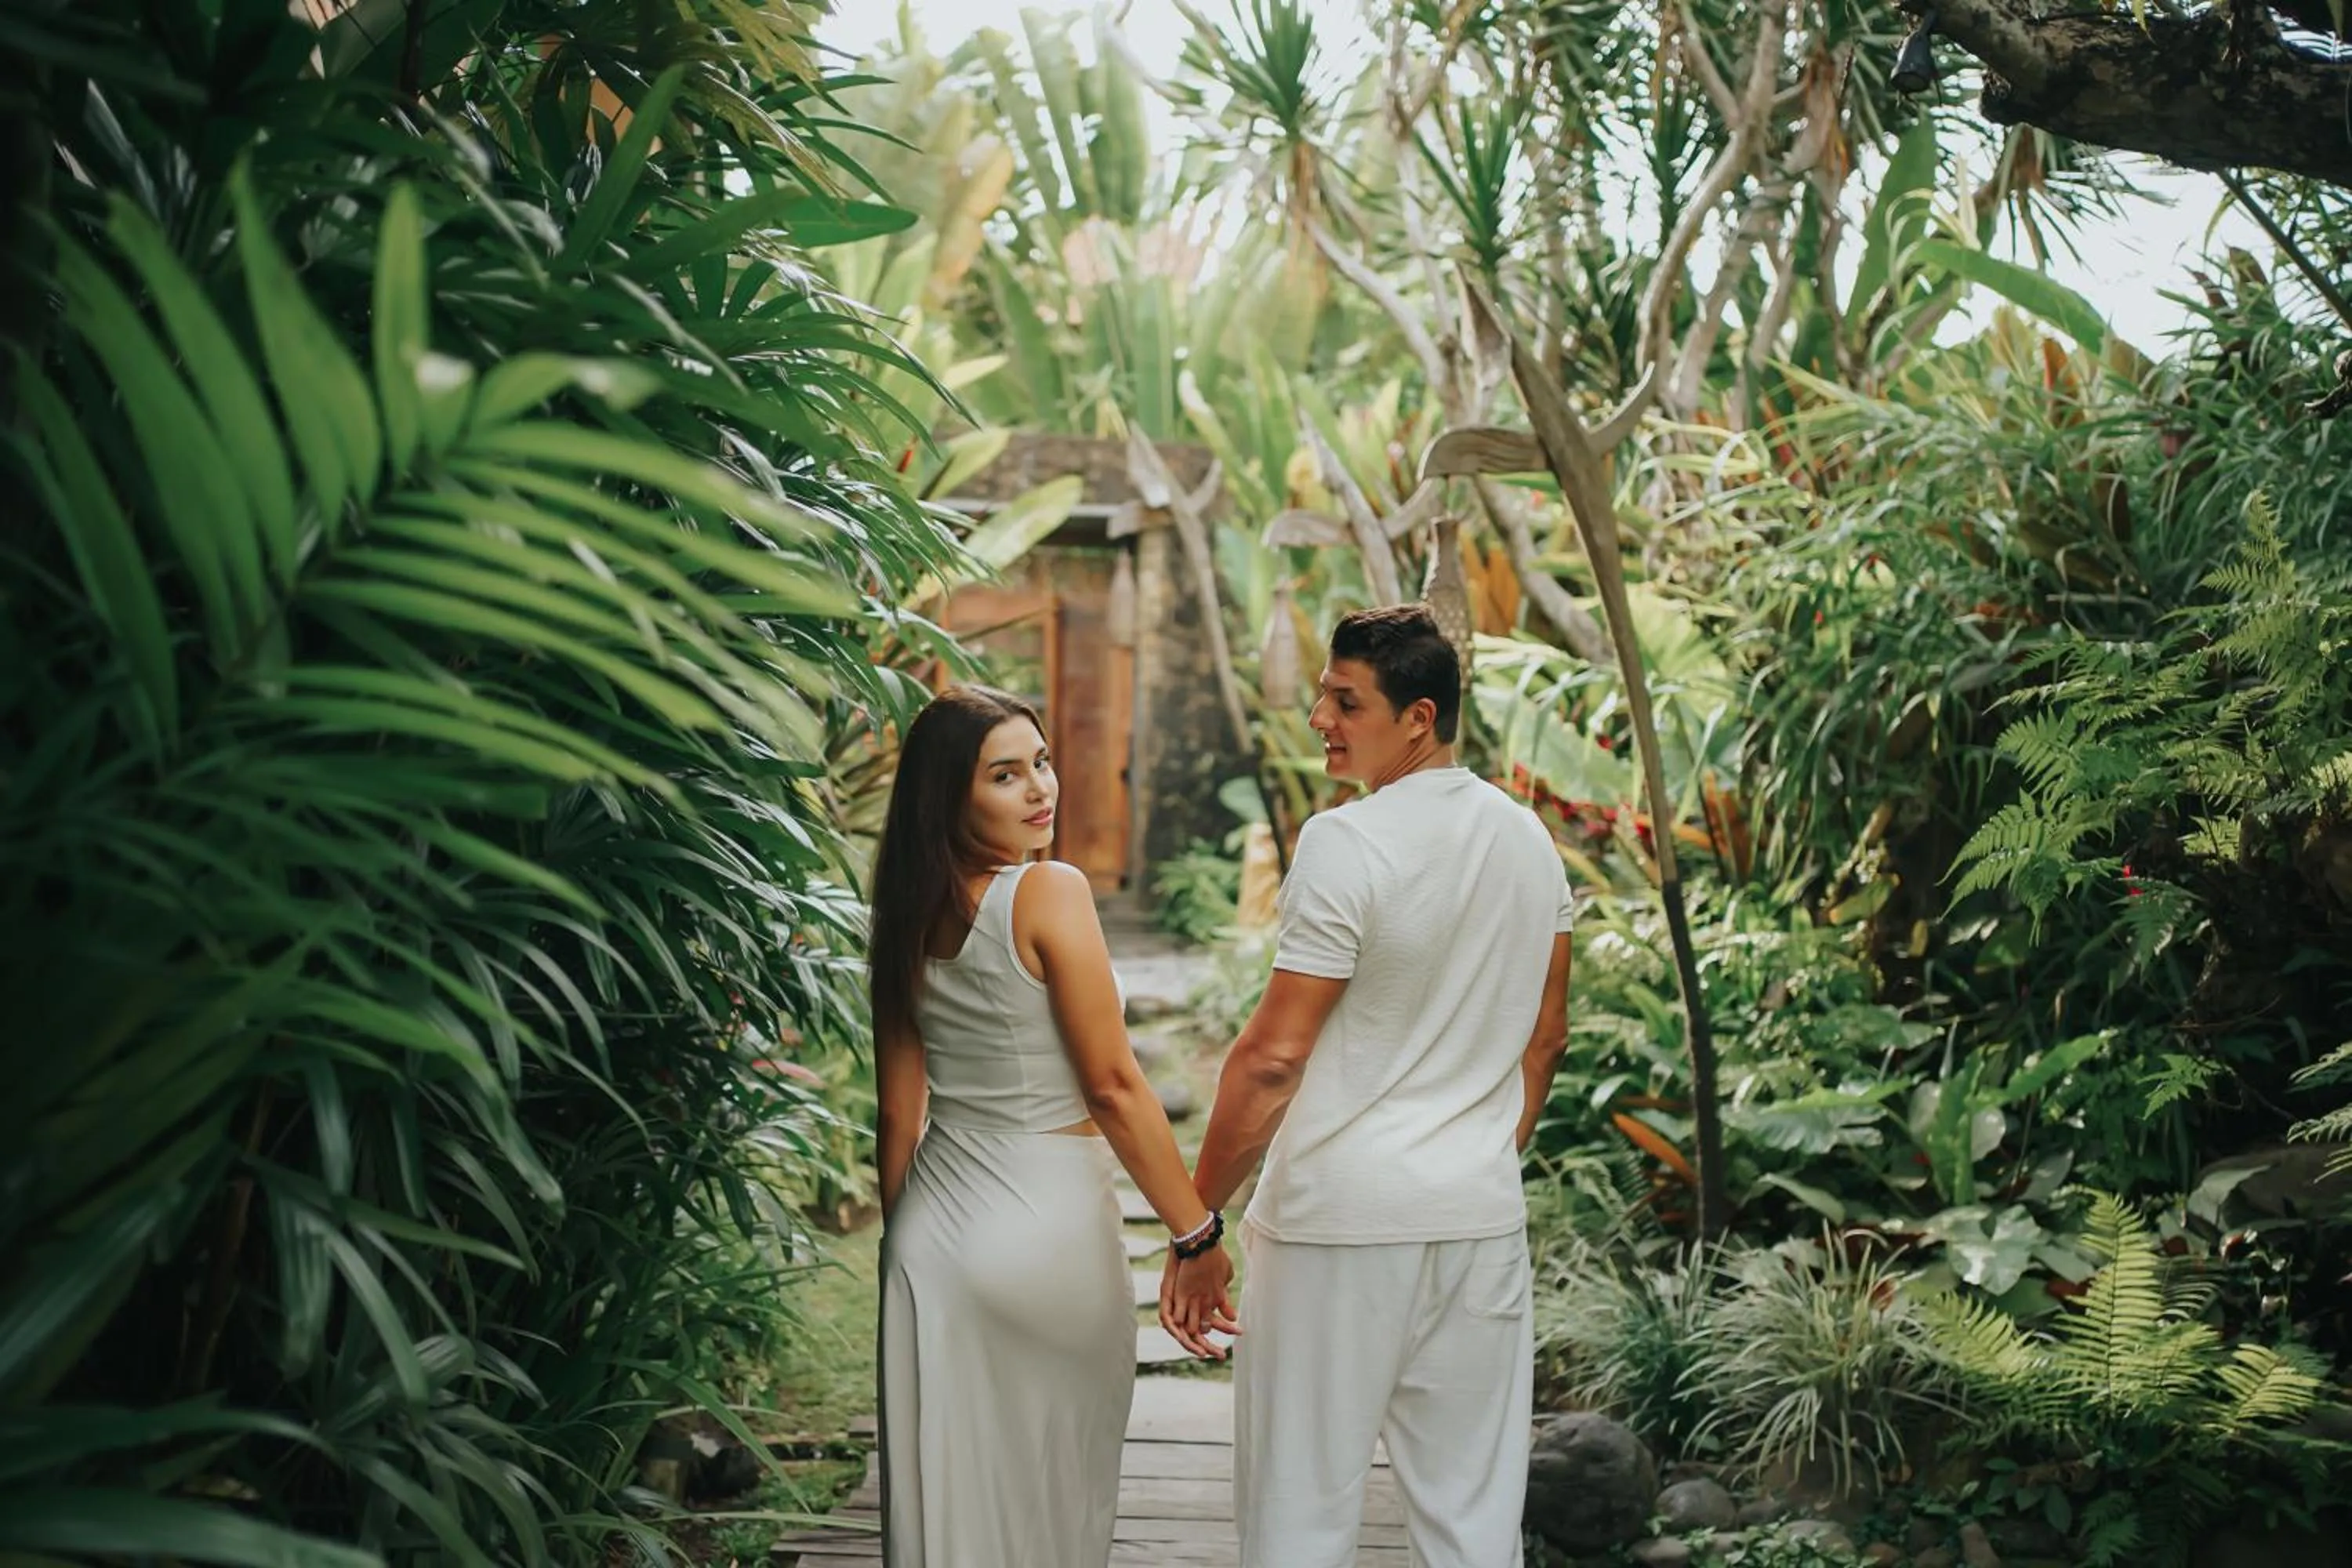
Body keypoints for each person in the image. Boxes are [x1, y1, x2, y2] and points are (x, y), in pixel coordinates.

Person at [1161, 604, 1575, 1568]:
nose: (1320, 718)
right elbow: (1545, 1038)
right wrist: (1466, 1156)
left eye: (1346, 701)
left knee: (1299, 1509)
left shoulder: (1346, 841)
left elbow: (1271, 1058)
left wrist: (1196, 1221)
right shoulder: (1529, 840)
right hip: (1477, 1216)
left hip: (1337, 1223)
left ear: (1418, 716)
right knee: (1473, 1518)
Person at [868, 684, 1221, 1568]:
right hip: (1047, 1228)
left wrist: (906, 1248)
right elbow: (1110, 1083)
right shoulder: (1049, 891)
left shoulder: (906, 912)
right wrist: (1196, 1228)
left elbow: (896, 1112)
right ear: (950, 795)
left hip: (933, 1241)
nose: (1040, 788)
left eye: (1043, 762)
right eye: (1005, 773)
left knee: (952, 1502)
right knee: (1054, 1490)